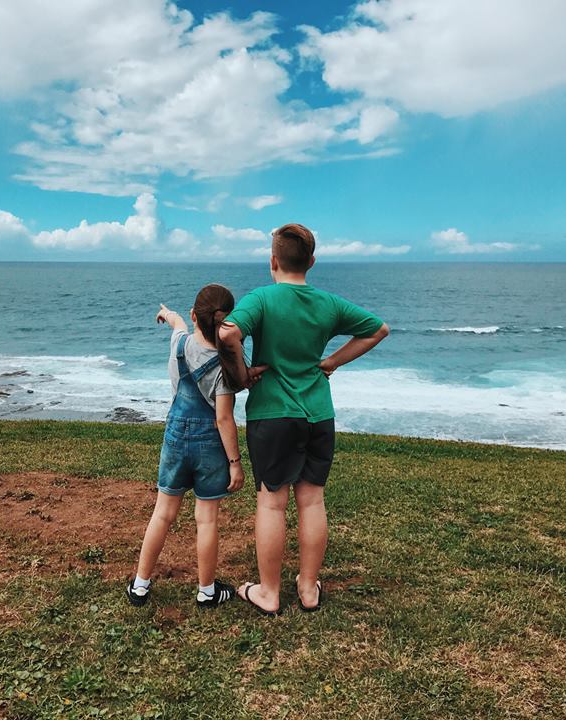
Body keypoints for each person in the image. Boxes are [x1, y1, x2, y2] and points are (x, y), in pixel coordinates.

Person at [217, 224, 389, 615]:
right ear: (311, 262)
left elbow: (228, 333)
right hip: (317, 414)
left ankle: (269, 592)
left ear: (272, 261)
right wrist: (330, 362)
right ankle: (308, 589)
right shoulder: (328, 303)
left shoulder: (262, 298)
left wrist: (241, 374)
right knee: (312, 502)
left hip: (272, 414)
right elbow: (378, 329)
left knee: (272, 504)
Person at [127, 284, 265, 609]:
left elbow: (178, 327)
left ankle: (141, 585)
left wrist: (169, 315)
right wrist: (235, 462)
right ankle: (206, 591)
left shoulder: (180, 343)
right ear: (228, 323)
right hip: (209, 447)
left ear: (193, 316)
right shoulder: (226, 366)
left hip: (175, 439)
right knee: (206, 520)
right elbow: (224, 419)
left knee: (162, 513)